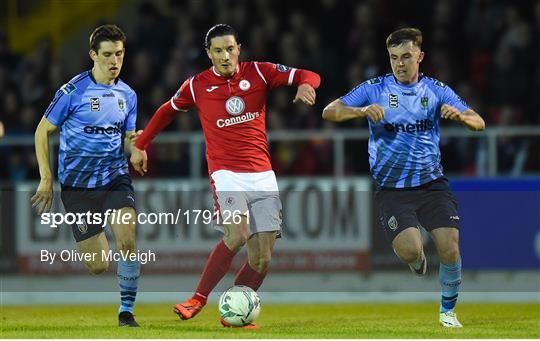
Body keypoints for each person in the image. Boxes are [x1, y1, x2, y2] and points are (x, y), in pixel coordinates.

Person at [131, 24, 320, 328]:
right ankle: (198, 298)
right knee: (237, 235)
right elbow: (167, 110)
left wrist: (305, 86)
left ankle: (234, 312)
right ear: (208, 53)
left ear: (238, 49)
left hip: (262, 175)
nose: (225, 55)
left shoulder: (259, 72)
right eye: (217, 50)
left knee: (262, 259)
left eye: (229, 49)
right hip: (226, 172)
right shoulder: (196, 85)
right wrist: (141, 145)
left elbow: (308, 74)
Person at [322, 27, 485, 328]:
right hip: (392, 190)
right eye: (394, 57)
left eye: (407, 56)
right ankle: (415, 260)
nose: (400, 63)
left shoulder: (436, 90)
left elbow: (479, 122)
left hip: (432, 184)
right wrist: (361, 112)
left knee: (450, 245)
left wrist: (461, 117)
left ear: (420, 57)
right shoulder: (375, 89)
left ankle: (447, 312)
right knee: (412, 250)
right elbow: (330, 111)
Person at [31, 25, 141, 327]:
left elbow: (126, 137)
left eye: (119, 54)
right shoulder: (73, 91)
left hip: (114, 177)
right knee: (98, 264)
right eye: (107, 55)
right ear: (93, 55)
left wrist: (135, 147)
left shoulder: (128, 95)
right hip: (77, 187)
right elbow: (43, 130)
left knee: (128, 239)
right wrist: (46, 178)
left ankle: (126, 312)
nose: (114, 61)